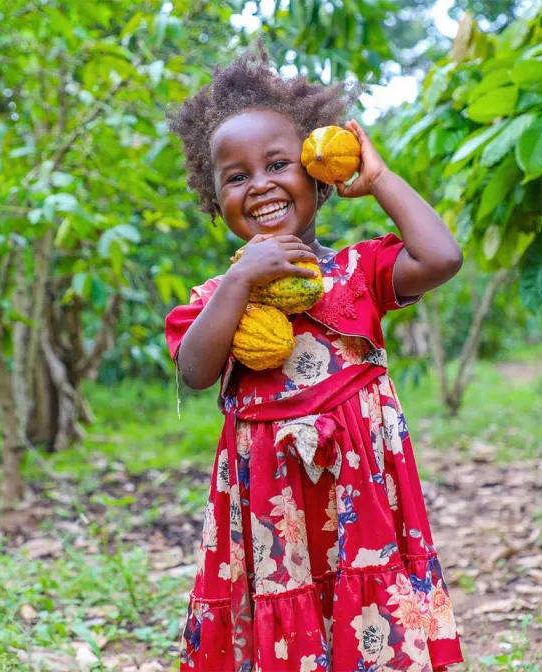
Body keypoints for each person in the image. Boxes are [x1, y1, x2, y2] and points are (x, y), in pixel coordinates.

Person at [164, 44, 465, 672]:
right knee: (286, 621)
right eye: (237, 176)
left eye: (279, 163)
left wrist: (377, 178)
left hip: (362, 500)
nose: (261, 185)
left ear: (315, 171)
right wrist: (241, 281)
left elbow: (441, 258)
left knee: (369, 613)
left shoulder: (358, 271)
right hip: (276, 519)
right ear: (214, 197)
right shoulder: (219, 299)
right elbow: (194, 371)